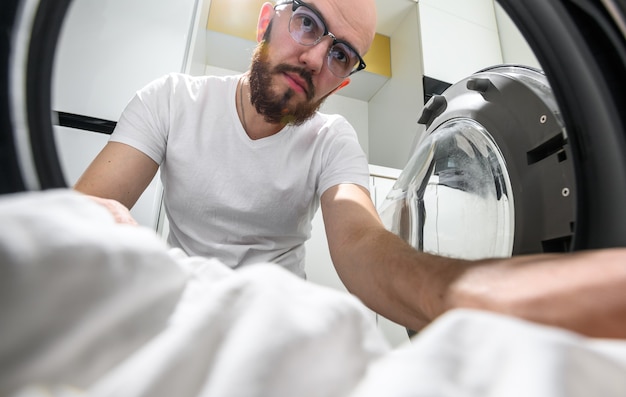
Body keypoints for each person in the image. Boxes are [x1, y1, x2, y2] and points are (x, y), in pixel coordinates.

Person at [74, 0, 626, 339]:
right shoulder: (171, 101)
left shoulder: (332, 139)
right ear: (268, 20)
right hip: (177, 300)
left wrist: (474, 299)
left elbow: (362, 245)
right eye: (308, 23)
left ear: (342, 83)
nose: (316, 58)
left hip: (276, 319)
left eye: (341, 55)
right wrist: (109, 240)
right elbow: (94, 205)